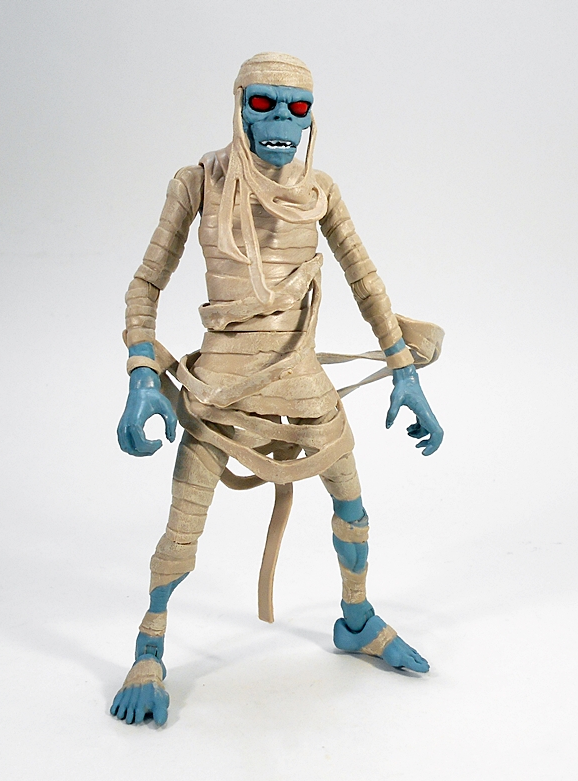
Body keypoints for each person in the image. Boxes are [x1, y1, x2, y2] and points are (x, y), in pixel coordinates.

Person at [111, 52, 444, 726]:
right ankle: (149, 649)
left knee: (352, 504)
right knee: (182, 530)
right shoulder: (196, 183)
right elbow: (145, 285)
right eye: (264, 104)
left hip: (304, 385)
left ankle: (356, 618)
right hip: (219, 392)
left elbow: (365, 280)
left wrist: (405, 371)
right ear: (238, 105)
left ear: (312, 117)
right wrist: (142, 373)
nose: (280, 121)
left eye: (296, 108)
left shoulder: (320, 191)